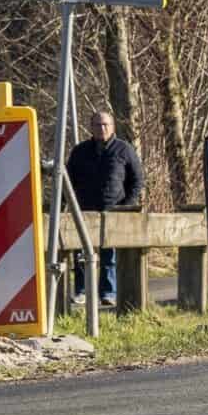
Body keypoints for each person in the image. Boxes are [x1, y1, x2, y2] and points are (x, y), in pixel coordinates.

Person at [65, 108, 144, 307]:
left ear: (112, 127)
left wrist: (126, 206)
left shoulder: (124, 149)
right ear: (91, 128)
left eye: (105, 124)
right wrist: (69, 205)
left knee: (109, 255)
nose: (102, 128)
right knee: (81, 254)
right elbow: (67, 180)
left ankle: (108, 293)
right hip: (84, 210)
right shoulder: (80, 151)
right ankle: (82, 291)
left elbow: (137, 180)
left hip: (113, 210)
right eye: (97, 125)